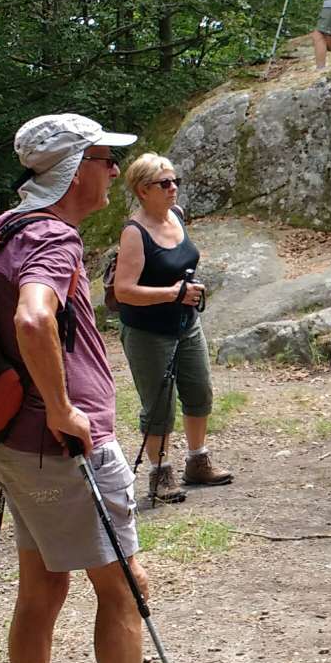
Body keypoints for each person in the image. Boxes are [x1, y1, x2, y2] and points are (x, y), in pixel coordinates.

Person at [0, 114, 207, 663]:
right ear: (75, 167)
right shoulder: (52, 237)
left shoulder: (7, 227)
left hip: (17, 445)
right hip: (67, 448)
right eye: (105, 158)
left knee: (42, 588)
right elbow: (32, 317)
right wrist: (61, 407)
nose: (114, 170)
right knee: (125, 587)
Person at [111, 153, 229, 505]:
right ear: (143, 190)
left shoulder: (176, 215)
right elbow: (123, 291)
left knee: (200, 392)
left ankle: (198, 461)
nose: (173, 187)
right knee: (159, 406)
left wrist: (186, 291)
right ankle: (160, 474)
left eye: (175, 181)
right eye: (164, 183)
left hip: (186, 324)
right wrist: (173, 293)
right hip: (147, 332)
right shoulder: (134, 233)